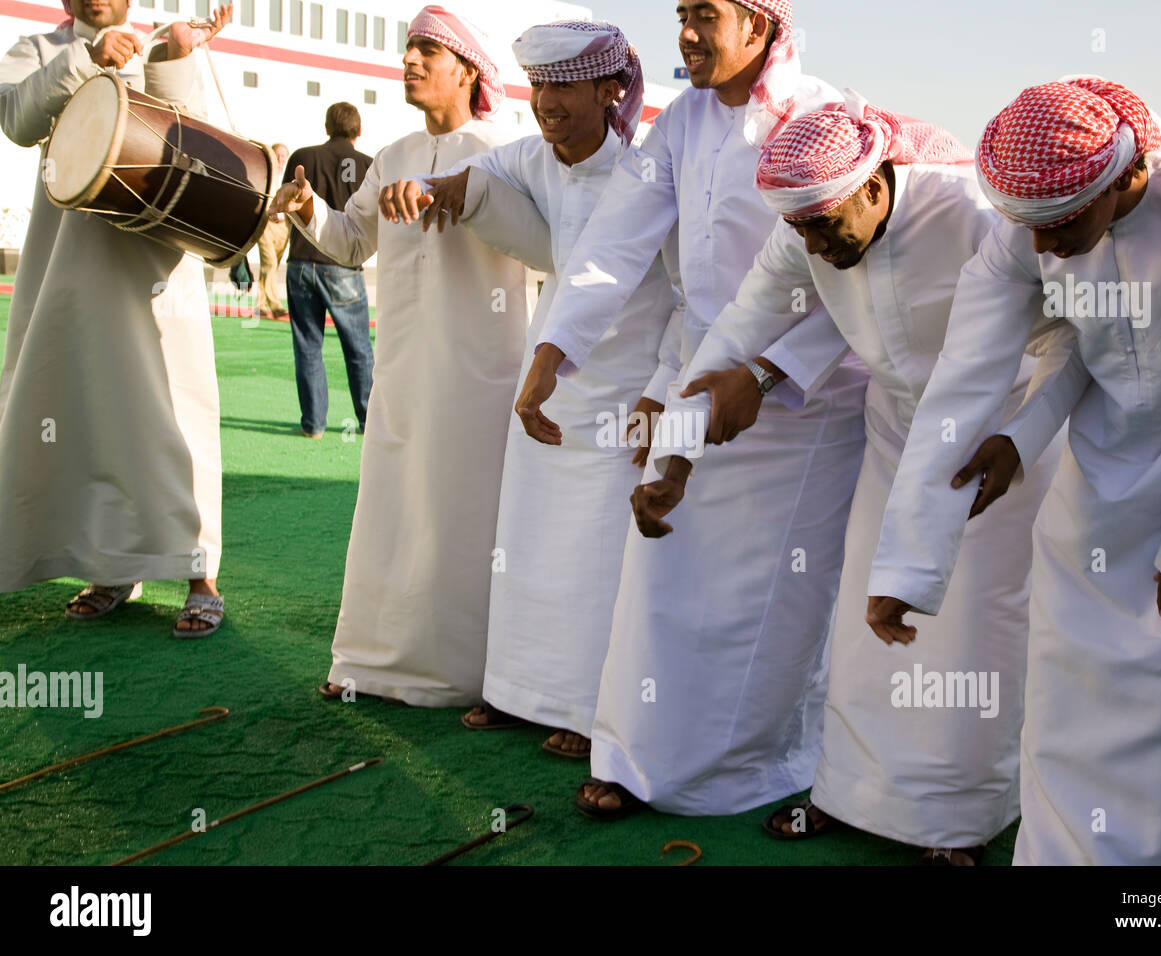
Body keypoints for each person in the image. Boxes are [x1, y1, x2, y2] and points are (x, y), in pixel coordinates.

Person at [867, 77, 1161, 865]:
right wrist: (911, 556)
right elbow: (977, 382)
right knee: (1069, 715)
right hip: (1096, 498)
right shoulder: (1033, 225)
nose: (1040, 249)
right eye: (1026, 229)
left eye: (1059, 228)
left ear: (1127, 178)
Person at [645, 96, 1064, 864]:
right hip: (893, 427)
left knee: (972, 624)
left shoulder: (973, 210)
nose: (810, 244)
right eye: (797, 228)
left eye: (821, 224)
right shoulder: (806, 231)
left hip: (994, 438)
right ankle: (848, 794)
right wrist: (672, 456)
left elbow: (1064, 327)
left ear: (876, 186)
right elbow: (736, 328)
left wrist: (1027, 431)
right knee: (862, 616)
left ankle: (956, 820)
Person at [512, 0, 867, 819]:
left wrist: (771, 371)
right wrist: (551, 354)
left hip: (809, 390)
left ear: (758, 22)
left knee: (771, 596)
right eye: (681, 14)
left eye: (704, 14)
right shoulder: (680, 125)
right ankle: (639, 761)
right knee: (658, 563)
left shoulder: (821, 115)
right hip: (704, 372)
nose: (686, 34)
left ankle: (761, 765)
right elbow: (616, 241)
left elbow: (847, 275)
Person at [381, 20, 679, 757]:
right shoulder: (535, 159)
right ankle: (518, 694)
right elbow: (481, 178)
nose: (547, 103)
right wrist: (427, 186)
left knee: (596, 556)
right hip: (544, 389)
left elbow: (683, 300)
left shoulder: (648, 177)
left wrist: (659, 400)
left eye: (564, 86)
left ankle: (587, 709)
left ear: (611, 90)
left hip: (621, 392)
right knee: (528, 541)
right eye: (539, 85)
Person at [271, 5, 533, 707]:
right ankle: (371, 665)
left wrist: (465, 196)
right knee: (391, 508)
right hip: (403, 367)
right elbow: (353, 242)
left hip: (477, 372)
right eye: (408, 49)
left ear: (467, 71)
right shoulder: (395, 153)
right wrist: (306, 210)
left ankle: (475, 678)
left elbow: (538, 244)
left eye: (428, 50)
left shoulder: (505, 151)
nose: (411, 60)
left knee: (459, 517)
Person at [0, 1, 233, 638]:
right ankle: (110, 568)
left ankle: (199, 574)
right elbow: (17, 121)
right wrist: (87, 59)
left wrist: (177, 55)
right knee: (84, 414)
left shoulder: (166, 42)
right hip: (68, 273)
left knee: (175, 411)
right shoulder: (42, 49)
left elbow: (206, 145)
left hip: (158, 265)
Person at [283, 104, 375, 438]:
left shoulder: (301, 157)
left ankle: (313, 424)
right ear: (358, 131)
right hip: (343, 266)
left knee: (308, 346)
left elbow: (286, 208)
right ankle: (368, 420)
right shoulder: (368, 165)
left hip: (301, 262)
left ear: (326, 126)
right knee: (359, 349)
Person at [255, 142, 291, 320]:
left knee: (271, 266)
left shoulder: (290, 176)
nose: (281, 159)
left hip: (284, 227)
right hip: (266, 224)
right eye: (278, 155)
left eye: (284, 155)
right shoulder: (266, 174)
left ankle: (260, 305)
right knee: (269, 263)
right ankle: (275, 305)